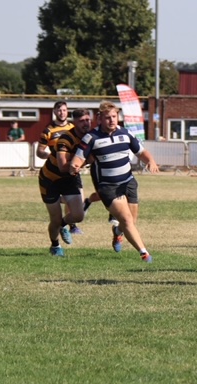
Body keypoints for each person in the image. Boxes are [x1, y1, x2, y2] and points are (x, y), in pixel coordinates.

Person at [70, 101, 159, 263]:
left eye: (114, 116)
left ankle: (117, 232)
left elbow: (142, 152)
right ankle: (144, 253)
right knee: (126, 219)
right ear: (99, 119)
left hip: (128, 182)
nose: (111, 120)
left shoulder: (126, 133)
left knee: (131, 221)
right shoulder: (91, 137)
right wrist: (74, 166)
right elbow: (78, 157)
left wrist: (150, 161)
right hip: (107, 186)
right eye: (107, 117)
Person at [38, 109, 91, 256]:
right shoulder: (65, 139)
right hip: (50, 180)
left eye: (87, 120)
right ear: (74, 123)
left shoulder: (90, 137)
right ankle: (55, 246)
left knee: (79, 215)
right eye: (82, 121)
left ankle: (63, 225)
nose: (86, 123)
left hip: (70, 179)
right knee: (54, 218)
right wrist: (81, 162)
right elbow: (62, 167)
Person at [36, 101, 81, 233]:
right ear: (55, 112)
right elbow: (39, 151)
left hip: (71, 171)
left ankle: (71, 225)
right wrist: (48, 155)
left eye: (64, 110)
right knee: (63, 204)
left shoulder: (73, 128)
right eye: (59, 110)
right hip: (54, 171)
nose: (62, 113)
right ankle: (63, 228)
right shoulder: (48, 131)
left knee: (79, 202)